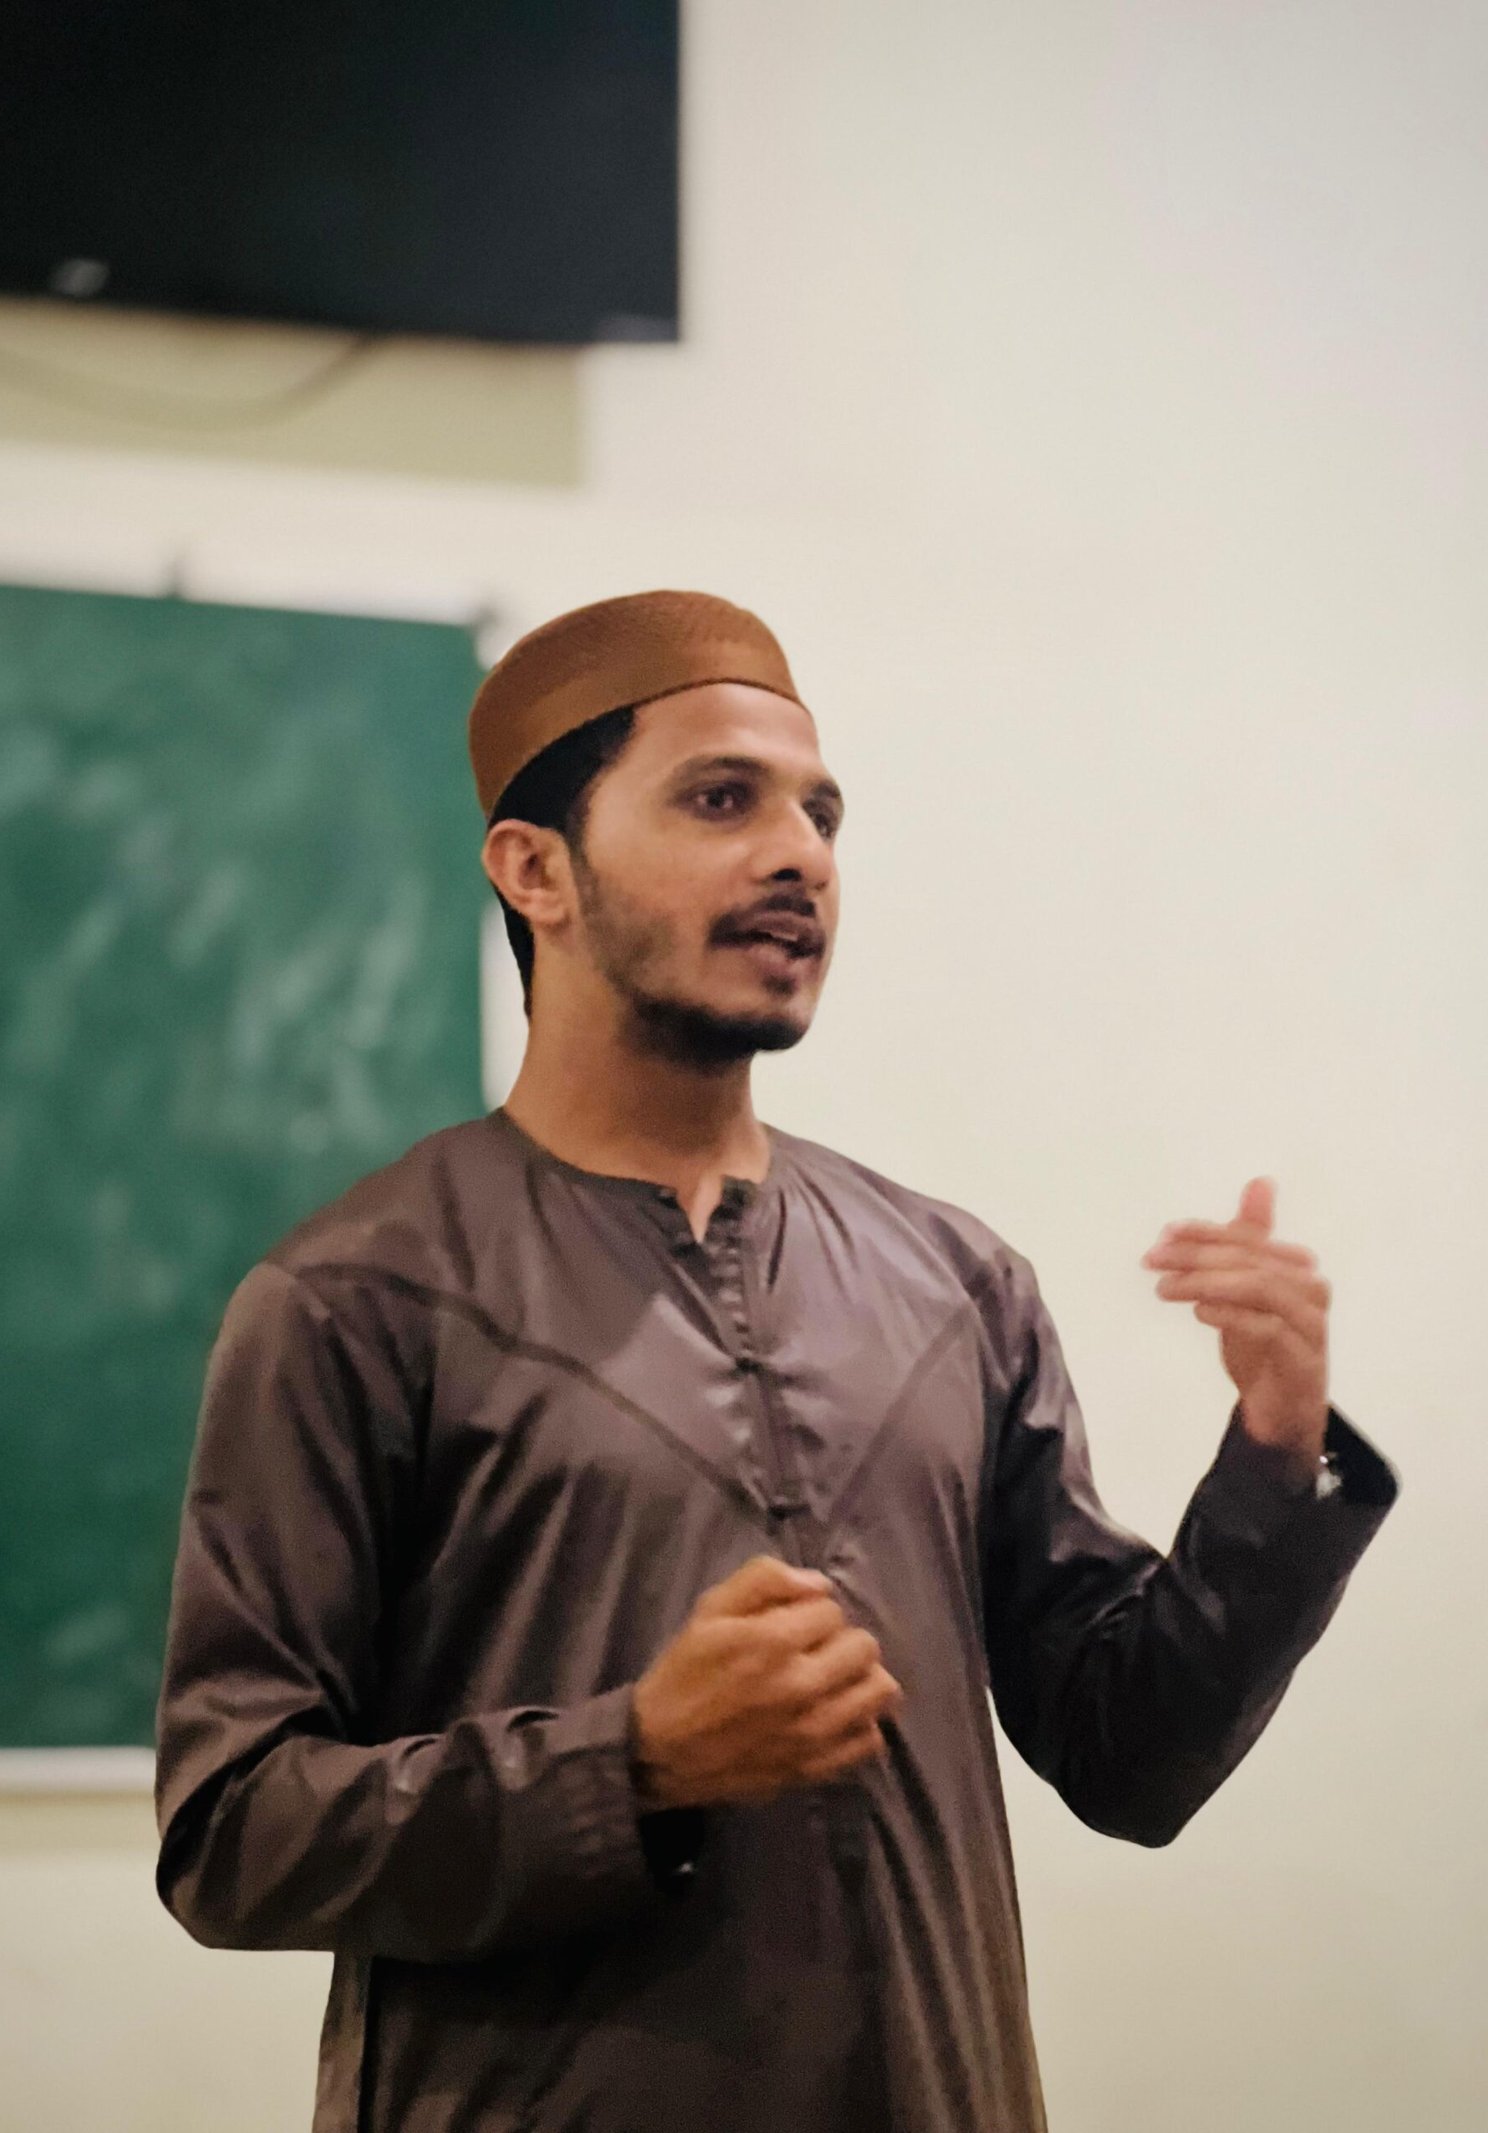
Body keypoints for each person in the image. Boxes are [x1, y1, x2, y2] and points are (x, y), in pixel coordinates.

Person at [154, 590, 1398, 2133]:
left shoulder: (954, 1282)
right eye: (721, 799)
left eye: (822, 813)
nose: (800, 854)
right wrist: (629, 1765)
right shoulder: (359, 1297)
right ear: (535, 868)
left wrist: (1274, 1461)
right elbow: (231, 1829)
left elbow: (1128, 1756)